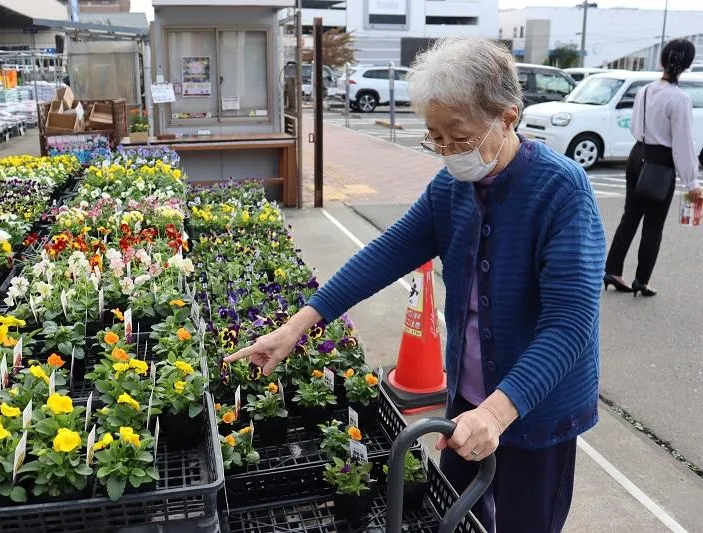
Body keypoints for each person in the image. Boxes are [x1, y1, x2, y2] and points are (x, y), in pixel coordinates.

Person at [226, 37, 605, 533]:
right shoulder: (451, 188)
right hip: (467, 401)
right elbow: (385, 254)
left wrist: (496, 413)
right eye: (434, 137)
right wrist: (296, 327)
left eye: (459, 136)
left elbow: (569, 325)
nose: (447, 151)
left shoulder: (562, 190)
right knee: (456, 515)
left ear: (508, 117)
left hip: (536, 408)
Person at [604, 39, 701, 297]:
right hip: (661, 162)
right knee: (653, 225)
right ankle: (642, 280)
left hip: (638, 153)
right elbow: (682, 144)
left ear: (662, 60)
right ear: (687, 66)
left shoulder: (645, 90)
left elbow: (635, 126)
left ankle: (612, 270)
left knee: (629, 217)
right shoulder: (680, 99)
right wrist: (692, 182)